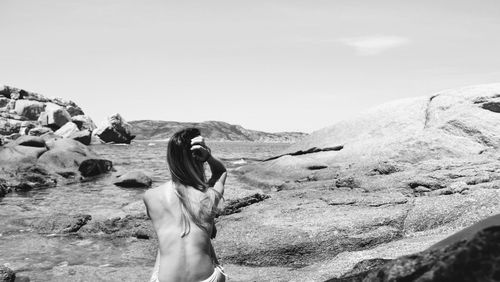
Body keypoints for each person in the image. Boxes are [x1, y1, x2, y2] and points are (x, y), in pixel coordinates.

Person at [143, 128, 227, 282]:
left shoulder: (150, 196)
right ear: (198, 158)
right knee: (207, 240)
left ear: (170, 158)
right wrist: (208, 156)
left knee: (166, 237)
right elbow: (220, 172)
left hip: (166, 279)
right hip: (207, 279)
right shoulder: (208, 196)